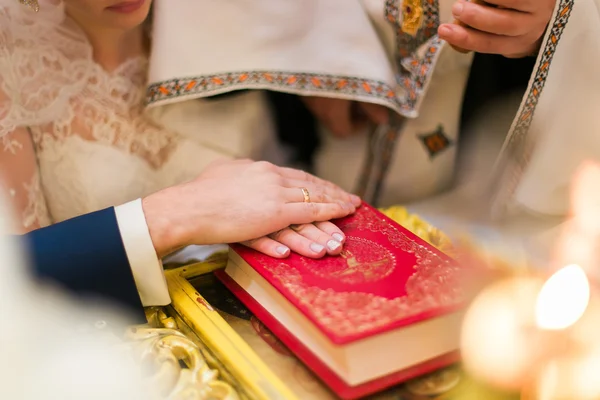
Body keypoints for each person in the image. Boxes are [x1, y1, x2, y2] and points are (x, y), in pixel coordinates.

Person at [0, 0, 360, 314]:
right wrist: (183, 211)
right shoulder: (11, 68)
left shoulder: (224, 12)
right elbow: (17, 287)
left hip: (293, 285)